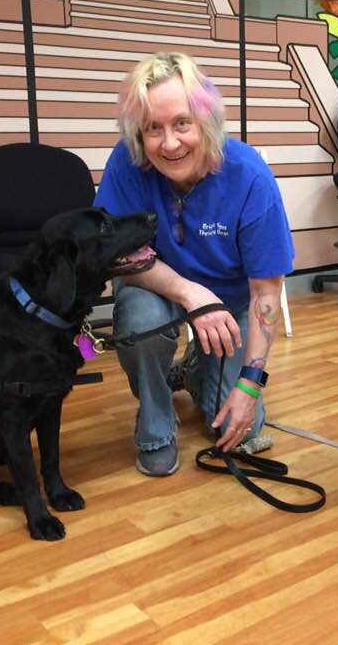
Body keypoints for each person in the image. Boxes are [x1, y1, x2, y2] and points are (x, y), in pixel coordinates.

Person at [94, 52, 294, 477]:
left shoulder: (250, 176)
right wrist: (191, 293)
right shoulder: (127, 164)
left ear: (206, 121)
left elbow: (266, 293)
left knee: (241, 426)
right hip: (156, 289)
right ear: (138, 133)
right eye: (153, 128)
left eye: (182, 123)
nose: (169, 143)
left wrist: (250, 384)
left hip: (233, 306)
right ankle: (155, 422)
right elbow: (113, 249)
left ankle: (193, 370)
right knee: (141, 320)